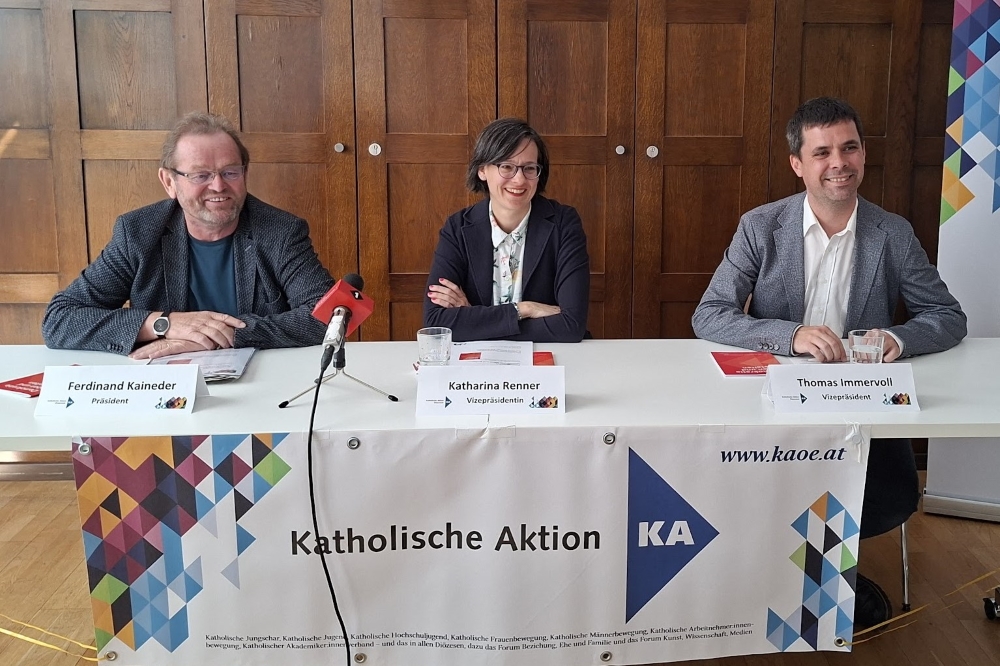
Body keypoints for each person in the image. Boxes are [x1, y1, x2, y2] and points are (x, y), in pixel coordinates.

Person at [692, 97, 967, 628]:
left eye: (849, 147)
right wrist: (789, 335)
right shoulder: (761, 227)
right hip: (774, 408)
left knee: (885, 501)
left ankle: (827, 579)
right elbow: (710, 314)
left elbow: (947, 316)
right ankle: (779, 573)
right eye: (822, 152)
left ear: (863, 155)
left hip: (859, 410)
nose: (838, 162)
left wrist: (899, 338)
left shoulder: (893, 233)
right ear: (798, 164)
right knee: (748, 492)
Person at [42, 112, 334, 360]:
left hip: (260, 383)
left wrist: (225, 334)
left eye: (230, 172)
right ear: (169, 182)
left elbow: (329, 315)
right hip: (164, 388)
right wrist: (163, 325)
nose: (219, 186)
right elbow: (60, 319)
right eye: (200, 175)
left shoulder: (280, 231)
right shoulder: (138, 233)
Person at [423, 118, 590, 342]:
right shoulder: (457, 228)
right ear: (482, 170)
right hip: (478, 366)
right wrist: (525, 309)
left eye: (529, 168)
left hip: (548, 361)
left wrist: (474, 320)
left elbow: (571, 326)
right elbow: (436, 323)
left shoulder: (564, 223)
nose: (519, 179)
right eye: (507, 167)